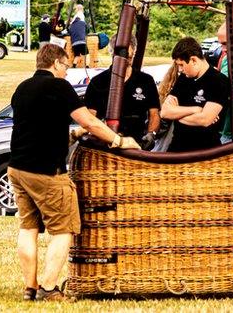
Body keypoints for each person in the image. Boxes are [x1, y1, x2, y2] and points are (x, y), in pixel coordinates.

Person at [9, 44, 139, 301]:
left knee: (28, 228)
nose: (67, 73)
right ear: (56, 63)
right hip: (47, 171)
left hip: (18, 168)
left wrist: (74, 135)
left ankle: (30, 287)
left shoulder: (22, 88)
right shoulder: (59, 87)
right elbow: (89, 121)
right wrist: (119, 141)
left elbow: (38, 128)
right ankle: (48, 288)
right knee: (63, 229)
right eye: (66, 67)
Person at [83, 35, 160, 143]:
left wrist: (151, 134)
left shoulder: (146, 81)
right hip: (105, 141)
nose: (124, 61)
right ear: (112, 53)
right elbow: (90, 116)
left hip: (136, 143)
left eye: (128, 57)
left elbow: (154, 114)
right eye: (120, 57)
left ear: (134, 52)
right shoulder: (98, 81)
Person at [159, 37, 229, 152]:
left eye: (181, 65)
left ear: (193, 60)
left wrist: (177, 114)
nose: (180, 69)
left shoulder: (219, 81)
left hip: (205, 152)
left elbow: (204, 120)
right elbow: (165, 112)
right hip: (176, 148)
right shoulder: (183, 79)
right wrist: (196, 109)